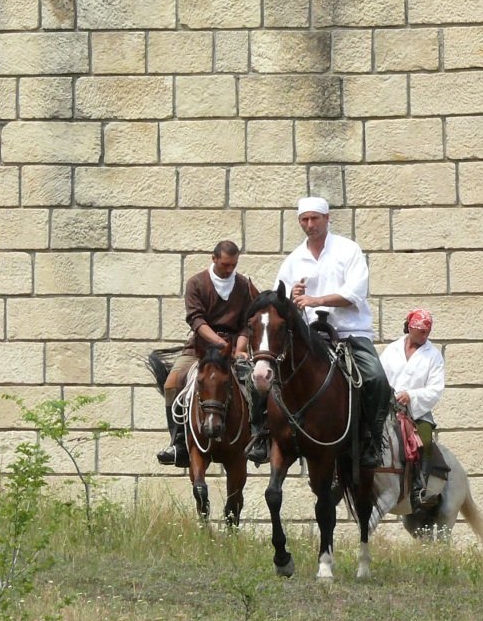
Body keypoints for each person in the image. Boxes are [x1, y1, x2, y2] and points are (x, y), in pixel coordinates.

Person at [253, 196, 392, 468]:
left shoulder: (348, 250)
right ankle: (262, 434)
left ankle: (373, 440)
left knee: (376, 379)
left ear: (327, 219)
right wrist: (291, 298)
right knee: (260, 373)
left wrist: (316, 300)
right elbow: (276, 303)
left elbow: (355, 293)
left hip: (350, 332)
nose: (309, 225)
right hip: (308, 335)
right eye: (304, 220)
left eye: (315, 218)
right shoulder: (294, 259)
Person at [156, 240, 260, 466]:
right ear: (214, 259)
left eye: (233, 265)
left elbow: (247, 323)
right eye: (225, 265)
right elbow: (196, 320)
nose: (230, 270)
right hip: (200, 348)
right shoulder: (196, 283)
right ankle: (179, 443)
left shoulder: (243, 285)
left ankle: (259, 437)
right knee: (172, 384)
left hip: (233, 348)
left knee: (259, 381)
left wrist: (240, 349)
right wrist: (219, 343)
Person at [380, 308, 446, 511]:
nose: (426, 335)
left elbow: (436, 389)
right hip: (388, 406)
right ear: (410, 328)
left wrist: (411, 396)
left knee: (424, 438)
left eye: (428, 331)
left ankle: (419, 487)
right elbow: (379, 375)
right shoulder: (392, 349)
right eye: (422, 331)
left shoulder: (433, 356)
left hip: (416, 410)